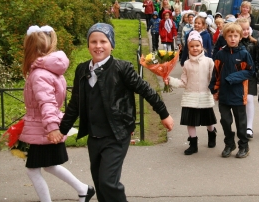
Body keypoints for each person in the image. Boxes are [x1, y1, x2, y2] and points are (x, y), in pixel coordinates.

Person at [48, 23, 174, 202]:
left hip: (117, 134)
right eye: (93, 41)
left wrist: (164, 114)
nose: (98, 46)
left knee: (108, 182)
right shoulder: (82, 70)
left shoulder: (121, 68)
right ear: (88, 45)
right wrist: (62, 129)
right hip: (94, 136)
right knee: (100, 183)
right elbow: (75, 103)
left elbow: (145, 89)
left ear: (112, 45)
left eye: (103, 41)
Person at [20, 25, 95, 202]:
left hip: (43, 127)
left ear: (30, 48)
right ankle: (84, 189)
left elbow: (47, 103)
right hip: (45, 125)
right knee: (49, 165)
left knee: (34, 169)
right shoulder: (50, 71)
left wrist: (52, 128)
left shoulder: (39, 74)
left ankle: (71, 193)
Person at [165, 31, 217, 155]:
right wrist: (170, 80)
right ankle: (193, 144)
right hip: (190, 97)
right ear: (188, 47)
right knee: (190, 121)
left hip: (205, 95)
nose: (195, 48)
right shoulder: (186, 64)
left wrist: (216, 90)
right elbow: (183, 82)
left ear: (202, 46)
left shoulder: (209, 61)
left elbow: (214, 78)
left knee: (208, 121)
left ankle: (212, 133)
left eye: (197, 45)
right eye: (192, 46)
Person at [208, 22, 254, 158]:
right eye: (230, 36)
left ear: (240, 37)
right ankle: (229, 144)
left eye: (235, 36)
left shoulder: (244, 54)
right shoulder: (221, 54)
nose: (232, 39)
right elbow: (216, 73)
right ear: (225, 37)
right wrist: (214, 90)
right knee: (225, 121)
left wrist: (233, 78)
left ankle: (244, 146)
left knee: (241, 123)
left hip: (239, 94)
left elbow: (251, 72)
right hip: (224, 95)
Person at [237, 18, 259, 138]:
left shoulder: (254, 43)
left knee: (249, 99)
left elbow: (258, 59)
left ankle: (249, 127)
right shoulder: (234, 43)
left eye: (247, 29)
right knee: (240, 101)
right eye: (243, 29)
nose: (245, 32)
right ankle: (242, 125)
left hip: (250, 75)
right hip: (238, 76)